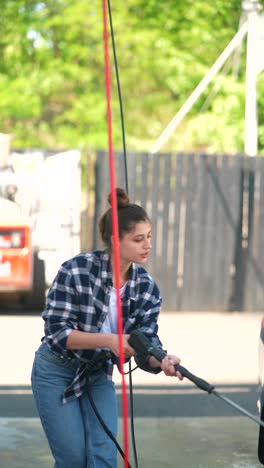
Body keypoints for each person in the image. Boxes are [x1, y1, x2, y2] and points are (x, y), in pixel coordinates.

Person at [31, 187, 183, 468]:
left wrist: (161, 359)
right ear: (116, 240)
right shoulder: (75, 270)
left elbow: (143, 341)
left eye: (149, 237)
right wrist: (112, 340)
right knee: (73, 458)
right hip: (56, 370)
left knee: (103, 456)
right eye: (138, 239)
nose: (147, 245)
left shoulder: (146, 287)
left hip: (97, 372)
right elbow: (56, 333)